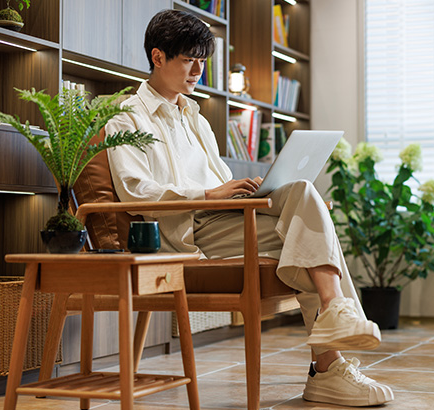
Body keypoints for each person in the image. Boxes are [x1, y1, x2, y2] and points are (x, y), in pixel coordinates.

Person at [104, 9, 394, 407]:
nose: (198, 72)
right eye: (189, 60)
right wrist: (210, 196)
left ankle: (330, 350)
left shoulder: (196, 118)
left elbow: (224, 182)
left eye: (202, 62)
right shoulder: (126, 117)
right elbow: (135, 191)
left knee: (302, 201)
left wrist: (249, 194)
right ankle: (329, 353)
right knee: (307, 227)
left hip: (224, 218)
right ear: (158, 57)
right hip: (184, 229)